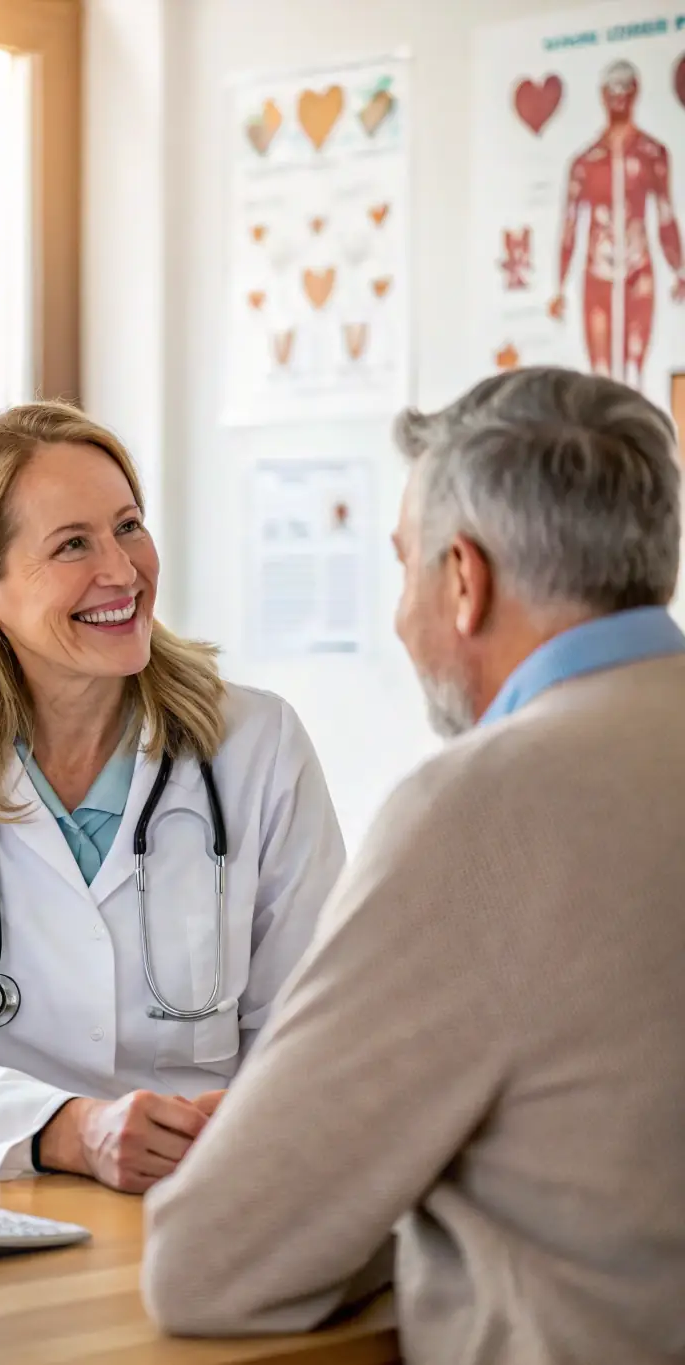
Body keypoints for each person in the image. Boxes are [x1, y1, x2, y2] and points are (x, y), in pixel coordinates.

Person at [142, 366, 685, 1365]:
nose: (398, 617)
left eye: (403, 568)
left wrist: (364, 1163)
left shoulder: (487, 805)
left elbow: (210, 1262)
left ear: (463, 580)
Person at [0, 401, 343, 1192]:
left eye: (128, 525)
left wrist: (242, 1131)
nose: (121, 570)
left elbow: (317, 1027)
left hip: (212, 1192)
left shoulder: (256, 743)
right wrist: (73, 1129)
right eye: (72, 544)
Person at [548, 60, 685, 389]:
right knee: (600, 374)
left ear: (635, 91)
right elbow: (569, 227)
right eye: (613, 89)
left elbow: (666, 215)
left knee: (635, 367)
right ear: (602, 95)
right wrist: (559, 286)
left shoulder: (653, 154)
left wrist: (679, 269)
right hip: (598, 274)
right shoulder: (585, 162)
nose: (619, 96)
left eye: (625, 87)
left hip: (638, 270)